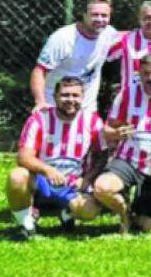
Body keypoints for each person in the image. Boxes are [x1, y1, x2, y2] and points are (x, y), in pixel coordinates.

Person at [6, 77, 107, 239]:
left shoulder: (93, 121)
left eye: (75, 95)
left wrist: (87, 179)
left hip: (73, 185)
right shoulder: (39, 119)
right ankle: (26, 224)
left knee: (89, 212)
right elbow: (23, 157)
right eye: (65, 95)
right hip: (42, 182)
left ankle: (66, 212)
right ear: (55, 97)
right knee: (17, 176)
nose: (70, 100)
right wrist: (47, 170)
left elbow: (102, 157)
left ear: (83, 98)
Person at [95, 53, 151, 234]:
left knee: (148, 227)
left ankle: (138, 208)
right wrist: (117, 133)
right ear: (139, 74)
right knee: (102, 188)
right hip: (128, 160)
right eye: (146, 74)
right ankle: (124, 213)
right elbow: (107, 129)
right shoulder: (127, 94)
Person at [32, 0, 119, 112]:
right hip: (55, 107)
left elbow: (131, 40)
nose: (100, 19)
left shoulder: (109, 34)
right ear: (84, 15)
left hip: (87, 109)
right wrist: (40, 102)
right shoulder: (62, 38)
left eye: (104, 15)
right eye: (95, 15)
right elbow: (39, 71)